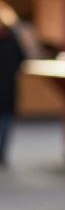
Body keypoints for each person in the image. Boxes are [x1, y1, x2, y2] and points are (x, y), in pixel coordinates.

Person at [0, 9, 27, 167]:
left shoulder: (12, 41)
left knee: (6, 121)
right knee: (6, 120)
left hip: (7, 86)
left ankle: (2, 151)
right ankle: (2, 151)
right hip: (8, 85)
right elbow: (21, 60)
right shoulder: (12, 40)